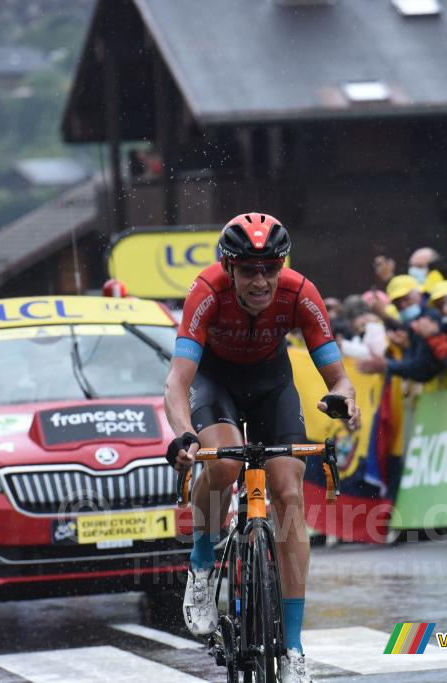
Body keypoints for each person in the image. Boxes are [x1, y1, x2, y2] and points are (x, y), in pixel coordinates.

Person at [164, 212, 361, 682]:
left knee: (290, 494)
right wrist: (183, 434)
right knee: (227, 463)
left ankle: (293, 647)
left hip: (273, 386)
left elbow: (339, 377)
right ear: (228, 267)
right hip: (215, 385)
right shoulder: (206, 292)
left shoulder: (300, 293)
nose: (260, 279)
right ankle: (203, 563)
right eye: (248, 268)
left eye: (270, 267)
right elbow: (177, 381)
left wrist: (345, 399)